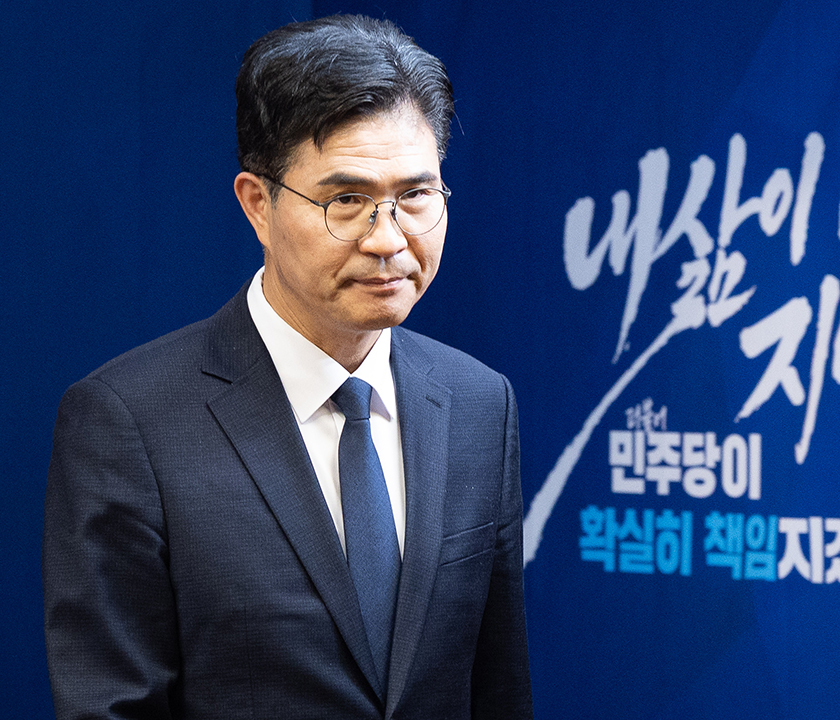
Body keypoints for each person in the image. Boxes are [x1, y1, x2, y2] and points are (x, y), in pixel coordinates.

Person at [42, 15, 532, 719]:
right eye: (347, 201)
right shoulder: (129, 423)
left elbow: (498, 690)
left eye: (416, 196)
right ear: (258, 205)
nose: (389, 239)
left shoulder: (480, 402)